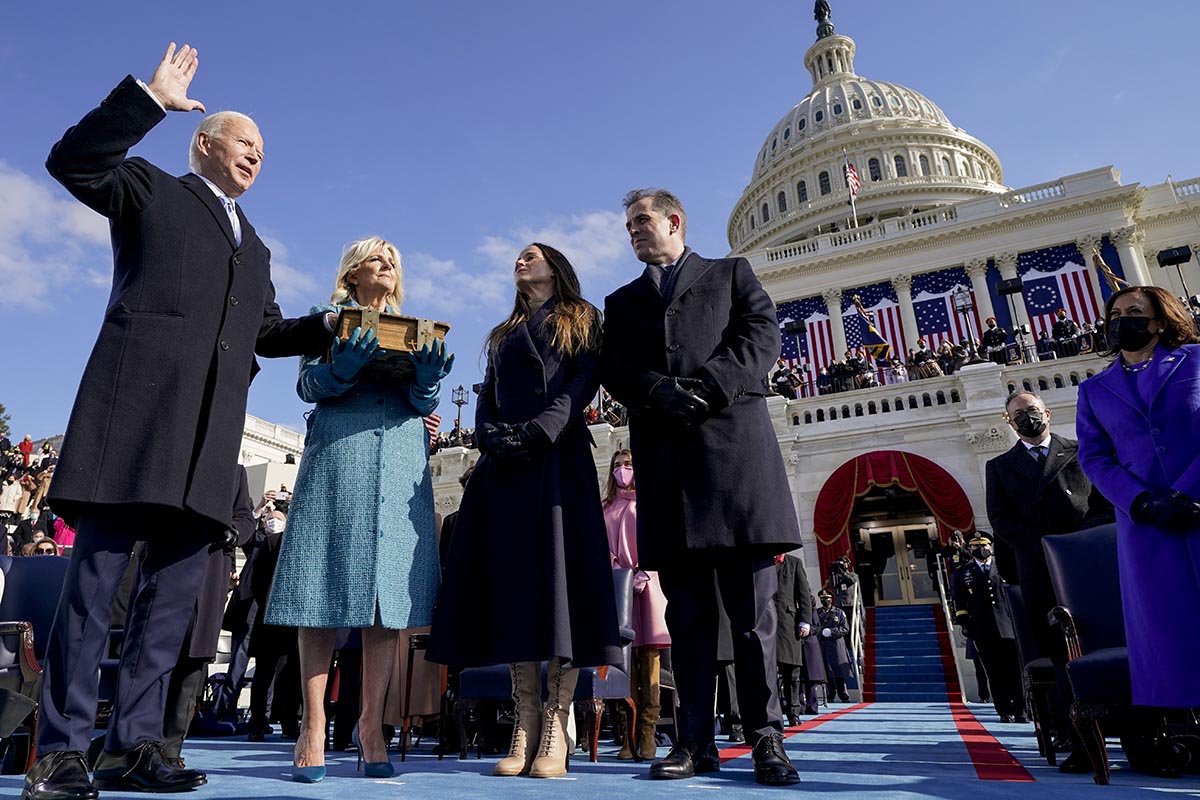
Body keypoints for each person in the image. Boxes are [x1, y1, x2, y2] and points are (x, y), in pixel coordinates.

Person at [25, 44, 333, 800]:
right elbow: (73, 160)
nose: (258, 153)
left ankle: (132, 746)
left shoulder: (255, 245)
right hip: (131, 424)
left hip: (206, 447)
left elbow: (264, 332)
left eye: (264, 148)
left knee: (167, 611)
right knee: (95, 594)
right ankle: (60, 751)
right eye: (244, 141)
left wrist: (330, 325)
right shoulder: (148, 189)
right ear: (204, 142)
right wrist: (148, 100)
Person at [599, 188, 803, 786]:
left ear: (674, 221)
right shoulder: (622, 300)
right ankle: (693, 743)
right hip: (669, 474)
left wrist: (709, 386)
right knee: (686, 622)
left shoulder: (731, 273)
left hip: (737, 466)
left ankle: (766, 739)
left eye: (642, 221)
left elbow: (760, 338)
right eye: (628, 225)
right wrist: (655, 390)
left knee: (751, 619)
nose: (633, 231)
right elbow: (614, 367)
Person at [429, 242, 621, 779]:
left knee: (559, 585)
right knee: (515, 590)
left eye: (532, 255)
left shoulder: (582, 318)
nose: (521, 260)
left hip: (557, 460)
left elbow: (584, 381)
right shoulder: (502, 333)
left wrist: (541, 430)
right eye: (518, 256)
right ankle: (526, 718)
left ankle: (556, 724)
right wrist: (489, 435)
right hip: (506, 467)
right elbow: (487, 391)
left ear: (555, 267)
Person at [264, 236, 452, 782]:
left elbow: (422, 405)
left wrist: (428, 383)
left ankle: (372, 726)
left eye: (394, 259)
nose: (388, 265)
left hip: (398, 458)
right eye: (376, 258)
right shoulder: (327, 324)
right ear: (352, 274)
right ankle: (312, 724)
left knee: (385, 598)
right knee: (319, 589)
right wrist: (339, 371)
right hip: (339, 455)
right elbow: (306, 385)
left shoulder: (416, 330)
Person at [1075, 285, 1200, 710]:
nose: (1121, 320)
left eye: (1133, 312)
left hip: (1197, 507)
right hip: (1148, 527)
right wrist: (1142, 502)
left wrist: (1185, 492)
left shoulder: (1197, 360)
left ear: (1160, 321)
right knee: (1169, 631)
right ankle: (1184, 722)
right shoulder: (1093, 390)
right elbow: (1095, 458)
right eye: (1114, 315)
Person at [985, 390, 1112, 769]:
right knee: (1063, 656)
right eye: (1018, 415)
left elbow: (1103, 505)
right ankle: (1079, 739)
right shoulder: (1000, 466)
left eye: (1032, 411)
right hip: (1041, 569)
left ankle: (1137, 733)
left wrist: (1078, 541)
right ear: (1009, 423)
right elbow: (1001, 520)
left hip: (1089, 565)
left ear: (1048, 413)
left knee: (1105, 642)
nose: (1027, 418)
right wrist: (1043, 544)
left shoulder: (1079, 451)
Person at [602, 449, 670, 761]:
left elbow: (658, 540)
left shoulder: (649, 503)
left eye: (627, 464)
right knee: (624, 664)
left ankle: (648, 734)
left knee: (650, 661)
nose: (622, 470)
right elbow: (603, 549)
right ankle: (627, 737)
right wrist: (620, 573)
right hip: (620, 590)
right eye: (617, 466)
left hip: (649, 586)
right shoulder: (604, 508)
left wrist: (646, 571)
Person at [952, 533, 1024, 722]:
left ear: (991, 547)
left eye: (983, 545)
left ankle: (1021, 710)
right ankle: (1004, 711)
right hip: (982, 629)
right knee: (994, 672)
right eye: (975, 546)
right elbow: (959, 602)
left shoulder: (1004, 567)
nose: (980, 549)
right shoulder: (963, 573)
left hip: (1009, 627)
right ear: (970, 549)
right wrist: (966, 624)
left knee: (1015, 670)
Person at [773, 554, 823, 722]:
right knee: (768, 673)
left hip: (788, 624)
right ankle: (772, 712)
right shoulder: (760, 561)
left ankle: (793, 711)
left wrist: (805, 621)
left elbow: (804, 595)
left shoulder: (794, 563)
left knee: (792, 672)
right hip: (765, 624)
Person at [814, 590, 851, 702]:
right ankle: (830, 695)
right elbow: (815, 628)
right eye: (822, 599)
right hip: (823, 645)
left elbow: (845, 628)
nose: (825, 600)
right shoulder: (817, 613)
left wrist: (832, 631)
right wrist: (821, 633)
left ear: (831, 599)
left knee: (839, 670)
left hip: (836, 644)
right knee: (827, 671)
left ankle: (843, 695)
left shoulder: (838, 612)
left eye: (827, 598)